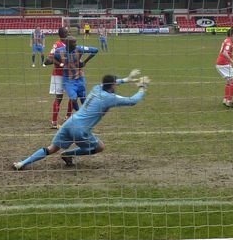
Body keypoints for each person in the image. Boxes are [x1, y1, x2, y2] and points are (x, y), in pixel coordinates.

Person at [13, 71, 147, 170]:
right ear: (112, 86)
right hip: (80, 130)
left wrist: (126, 79)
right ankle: (67, 153)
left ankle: (22, 163)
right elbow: (132, 101)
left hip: (70, 122)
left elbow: (106, 83)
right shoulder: (110, 98)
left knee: (51, 148)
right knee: (100, 147)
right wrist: (142, 88)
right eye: (115, 84)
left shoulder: (96, 88)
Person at [51, 36, 99, 115]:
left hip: (80, 78)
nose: (76, 44)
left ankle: (85, 115)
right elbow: (53, 58)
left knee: (83, 99)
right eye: (74, 42)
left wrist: (84, 62)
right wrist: (60, 64)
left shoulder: (79, 49)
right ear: (68, 44)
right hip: (68, 81)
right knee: (73, 99)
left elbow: (95, 50)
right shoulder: (59, 51)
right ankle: (79, 113)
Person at [45, 27, 69, 128]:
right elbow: (47, 60)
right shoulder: (57, 45)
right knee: (59, 98)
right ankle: (54, 121)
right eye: (68, 32)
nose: (69, 33)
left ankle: (68, 117)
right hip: (59, 75)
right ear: (64, 34)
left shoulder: (70, 44)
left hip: (69, 75)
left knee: (73, 96)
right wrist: (60, 63)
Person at [216, 27, 233, 108]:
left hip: (220, 63)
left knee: (229, 81)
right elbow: (225, 52)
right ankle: (229, 101)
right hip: (224, 63)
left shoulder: (227, 40)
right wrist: (232, 62)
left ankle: (225, 100)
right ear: (232, 34)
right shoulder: (229, 42)